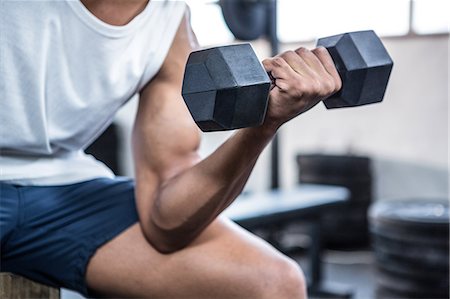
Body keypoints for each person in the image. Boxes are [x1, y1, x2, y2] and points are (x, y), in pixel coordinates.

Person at [0, 0, 341, 298]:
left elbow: (167, 222)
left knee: (274, 283)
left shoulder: (169, 22)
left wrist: (264, 124)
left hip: (61, 190)